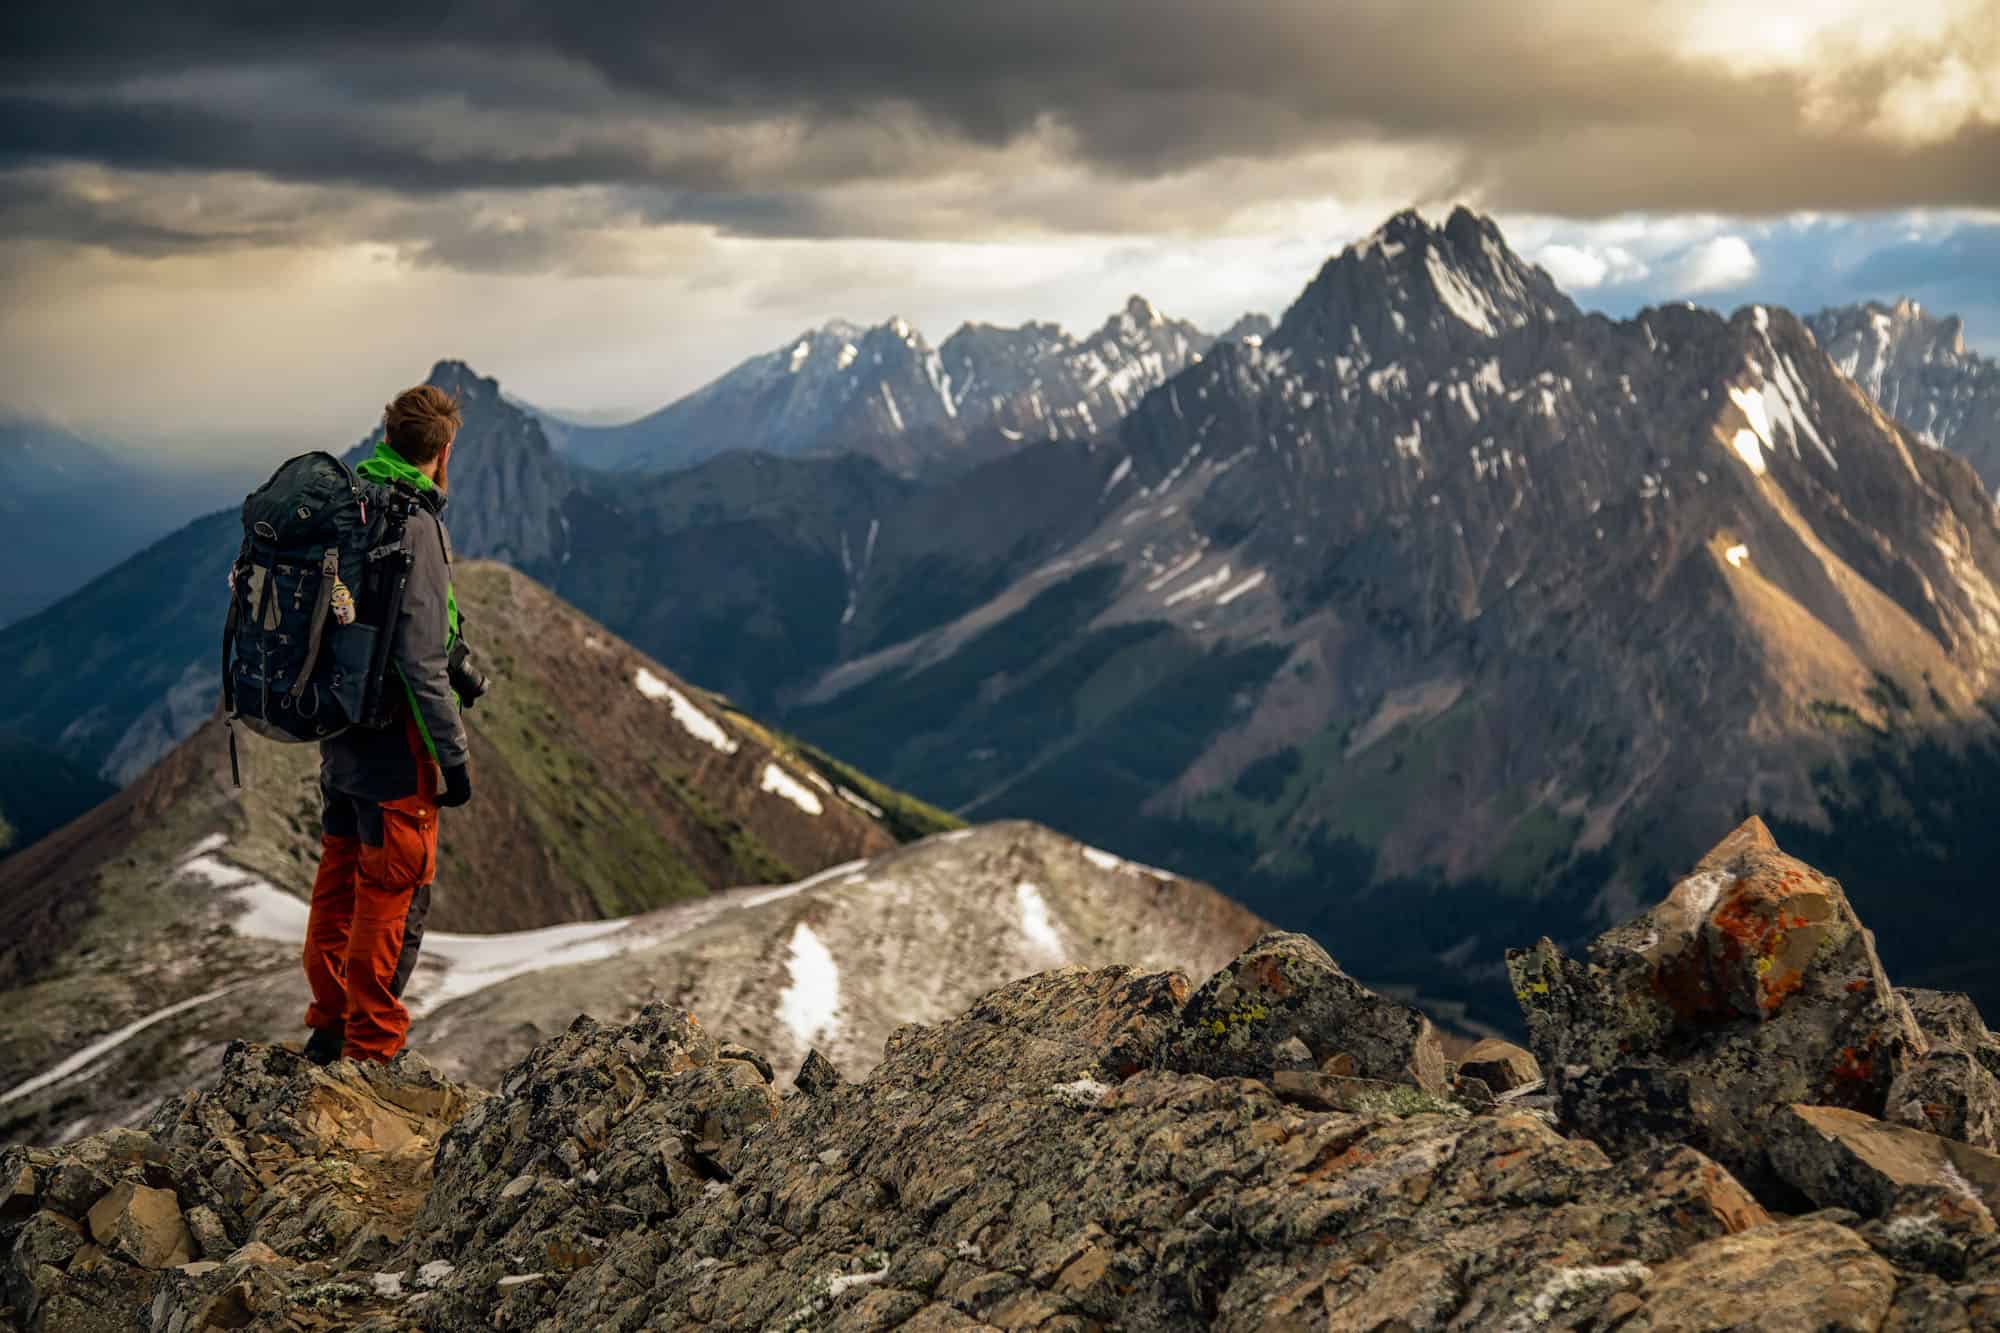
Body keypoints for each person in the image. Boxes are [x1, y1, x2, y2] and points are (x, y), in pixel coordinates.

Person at [301, 385, 474, 1065]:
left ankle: (328, 1023)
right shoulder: (417, 524)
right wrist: (454, 760)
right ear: (442, 450)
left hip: (341, 729)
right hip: (397, 744)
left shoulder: (352, 500)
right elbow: (422, 661)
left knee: (339, 870)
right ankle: (372, 1048)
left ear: (386, 435)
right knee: (389, 884)